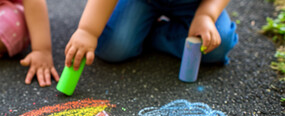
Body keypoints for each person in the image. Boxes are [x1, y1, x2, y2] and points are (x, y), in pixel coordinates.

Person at [64, 0, 238, 71]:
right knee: (113, 47)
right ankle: (139, 34)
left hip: (195, 3)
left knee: (214, 46)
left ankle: (149, 35)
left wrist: (206, 15)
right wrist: (88, 31)